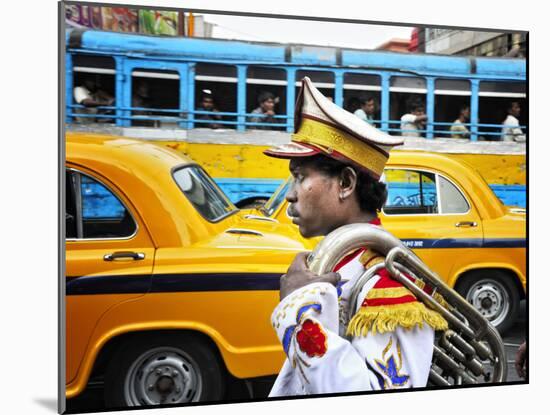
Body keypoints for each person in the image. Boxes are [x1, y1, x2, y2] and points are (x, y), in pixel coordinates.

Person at [263, 77, 447, 396]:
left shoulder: (386, 284)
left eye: (301, 177)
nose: (291, 195)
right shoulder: (346, 262)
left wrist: (297, 309)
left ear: (346, 183)